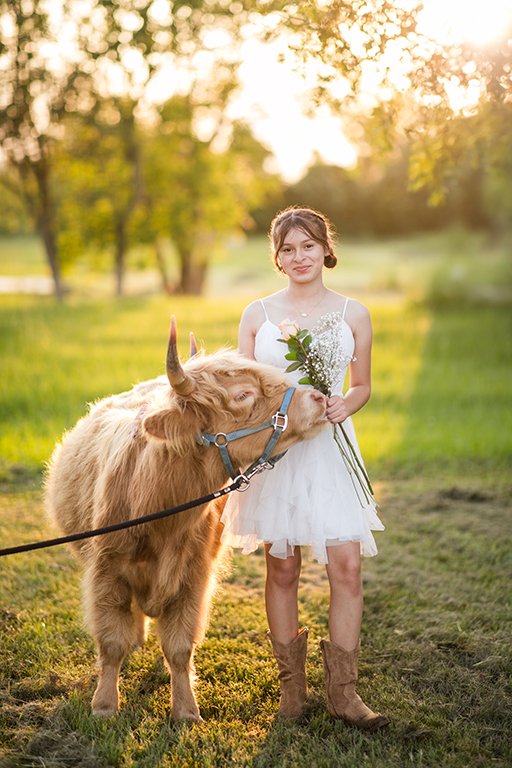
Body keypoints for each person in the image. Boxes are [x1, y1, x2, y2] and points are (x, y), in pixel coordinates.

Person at [220, 206, 388, 730]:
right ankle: (292, 692)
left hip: (333, 449)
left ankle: (344, 695)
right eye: (288, 249)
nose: (299, 257)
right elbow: (240, 390)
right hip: (279, 451)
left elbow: (361, 383)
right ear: (277, 256)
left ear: (325, 249)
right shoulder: (258, 315)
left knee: (347, 566)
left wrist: (348, 403)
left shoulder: (353, 312)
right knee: (283, 566)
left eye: (308, 246)